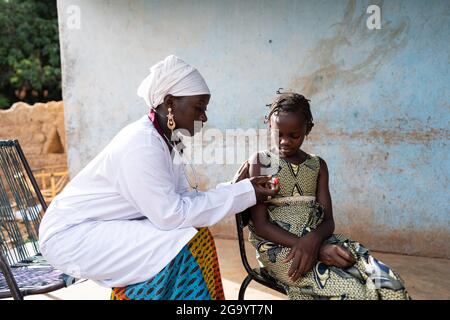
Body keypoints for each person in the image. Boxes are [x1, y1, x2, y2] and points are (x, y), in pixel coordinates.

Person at [38, 55, 277, 300]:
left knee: (195, 235)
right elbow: (172, 216)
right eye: (199, 108)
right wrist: (244, 193)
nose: (204, 117)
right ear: (170, 102)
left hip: (104, 225)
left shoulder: (167, 140)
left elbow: (185, 202)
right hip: (72, 236)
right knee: (182, 243)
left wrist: (235, 188)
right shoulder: (142, 145)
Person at [248, 91, 411, 300]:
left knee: (389, 285)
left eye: (294, 135)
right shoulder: (262, 162)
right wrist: (305, 245)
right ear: (269, 126)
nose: (284, 141)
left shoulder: (317, 165)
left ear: (309, 129)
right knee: (355, 292)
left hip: (321, 239)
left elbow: (328, 220)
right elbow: (260, 224)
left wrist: (314, 241)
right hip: (280, 249)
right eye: (278, 134)